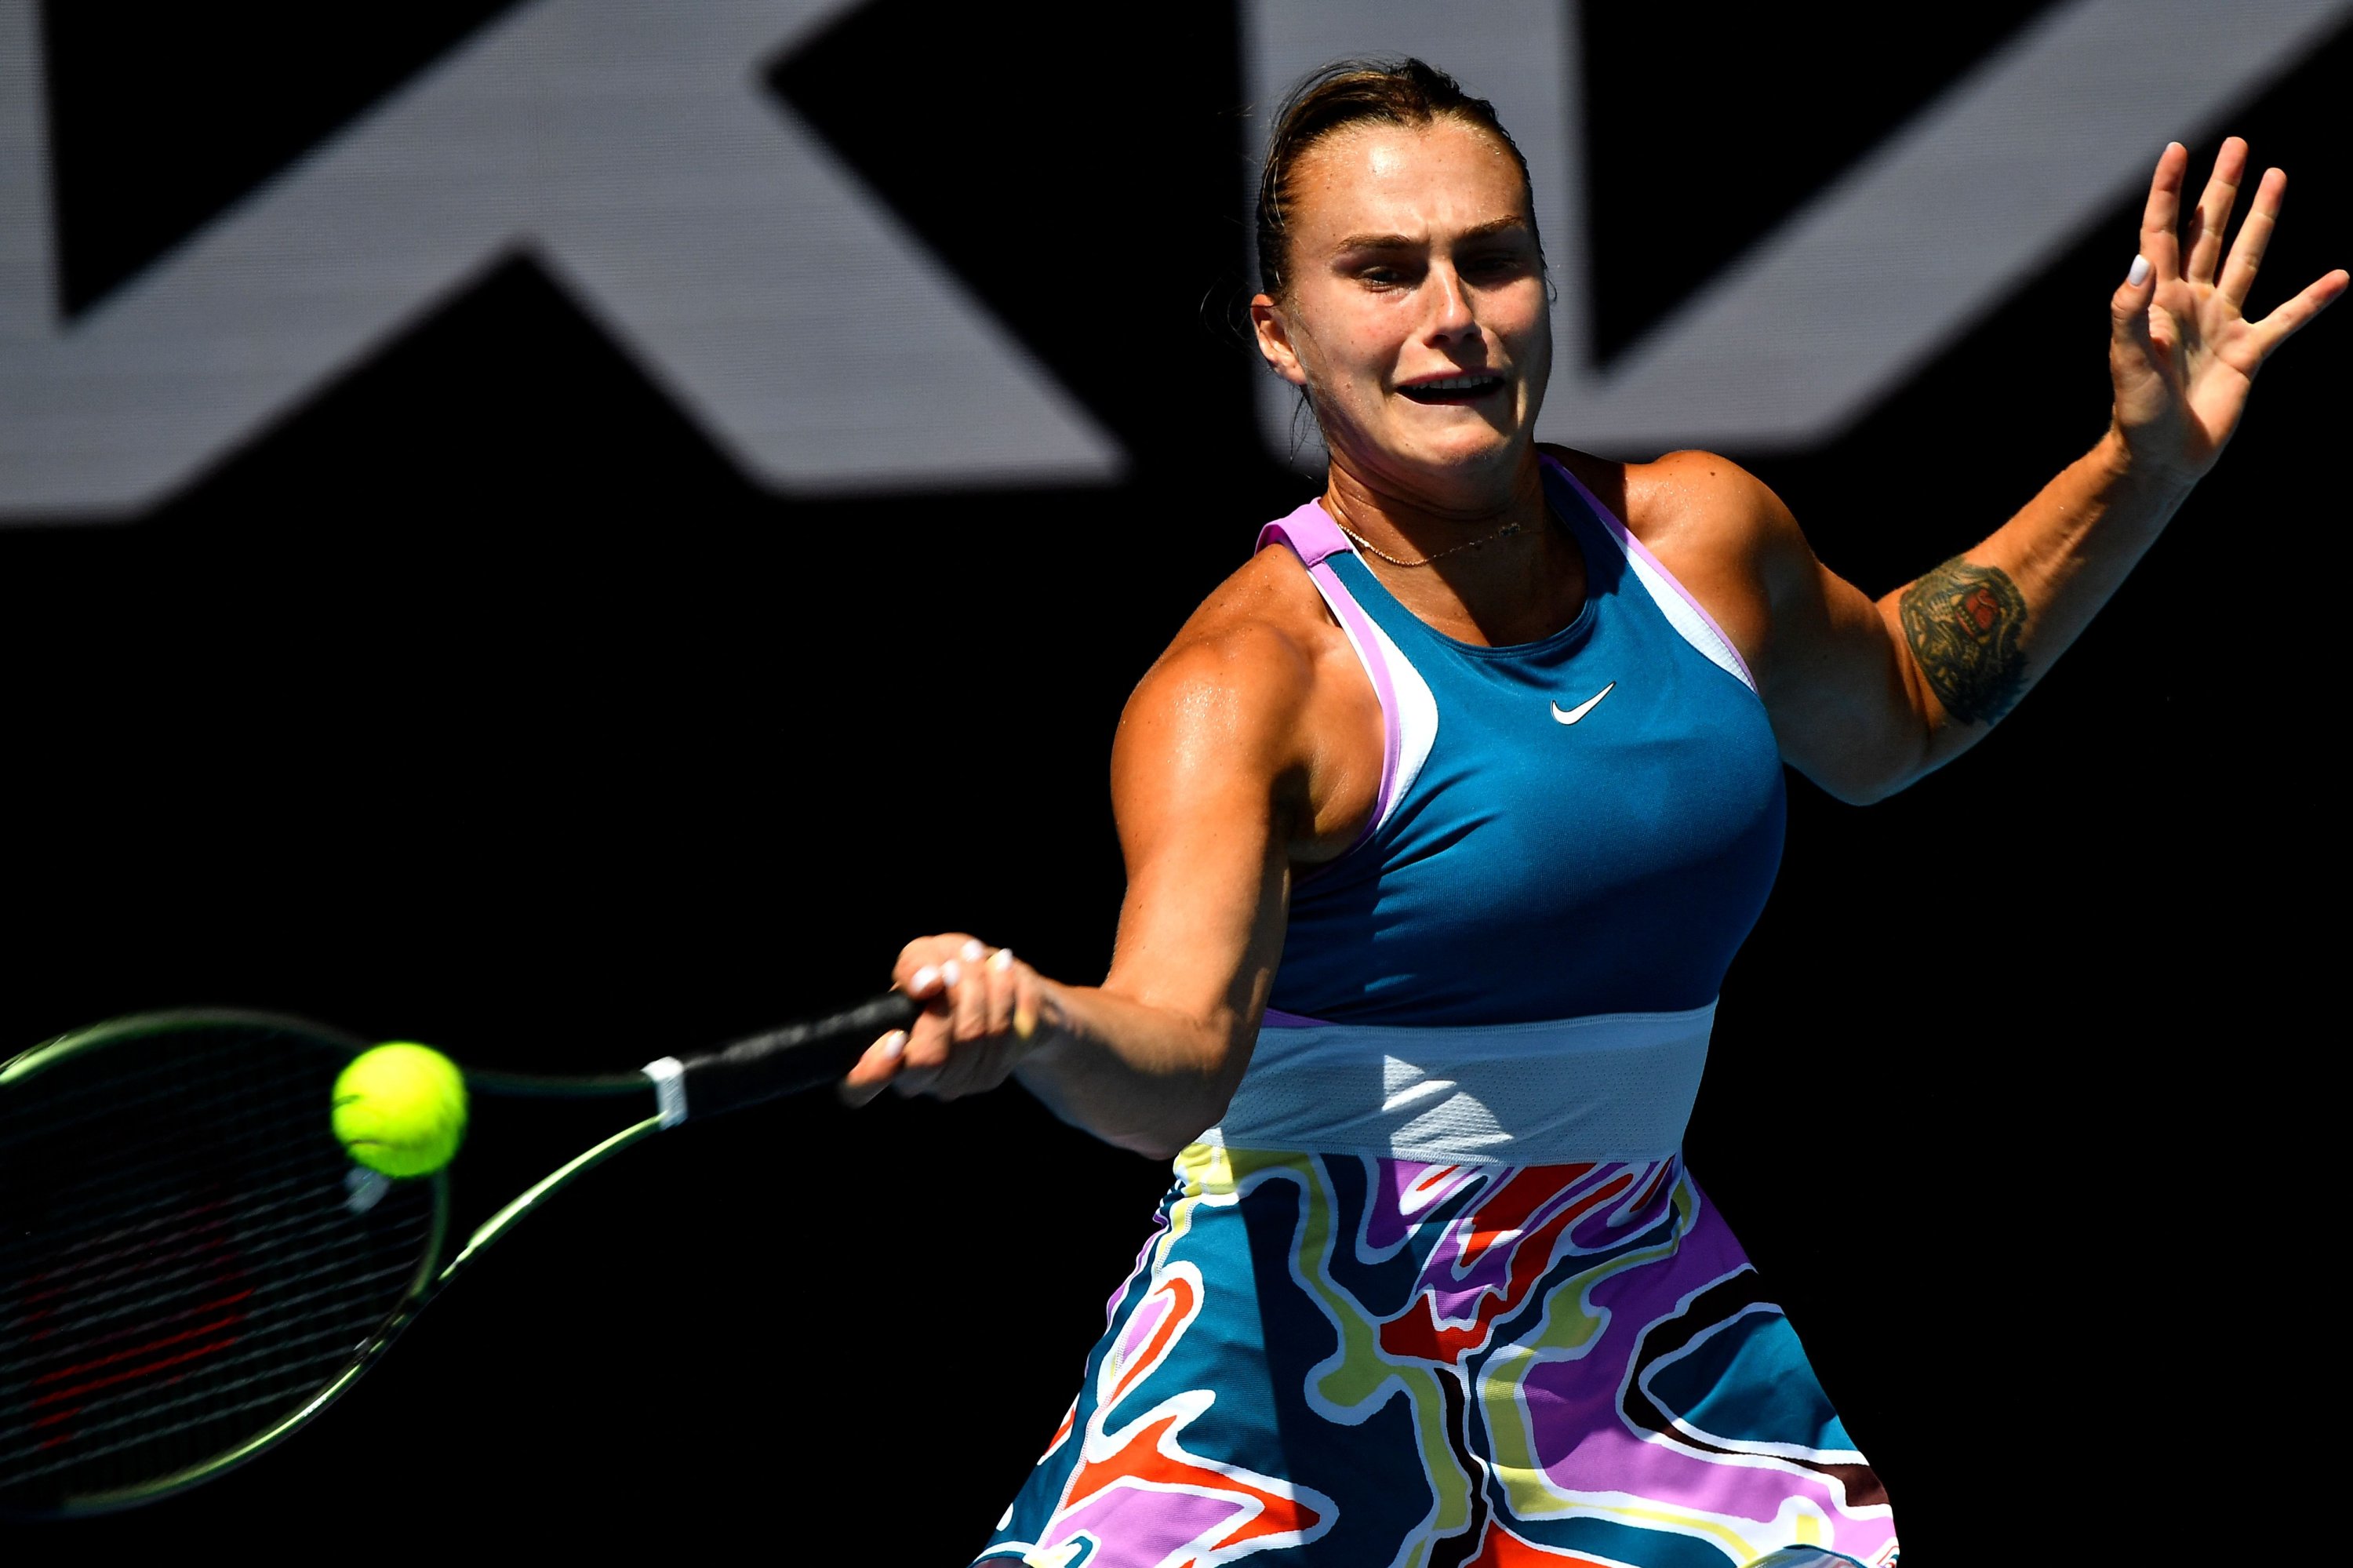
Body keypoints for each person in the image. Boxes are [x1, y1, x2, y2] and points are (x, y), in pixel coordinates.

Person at [841, 59, 2343, 1568]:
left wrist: (2141, 464)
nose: (1454, 316)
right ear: (1279, 336)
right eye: (1383, 272)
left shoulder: (1700, 538)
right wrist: (1035, 1025)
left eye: (1493, 258)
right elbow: (1173, 1061)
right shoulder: (1249, 686)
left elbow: (1896, 709)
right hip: (1291, 1349)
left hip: (1621, 1315)